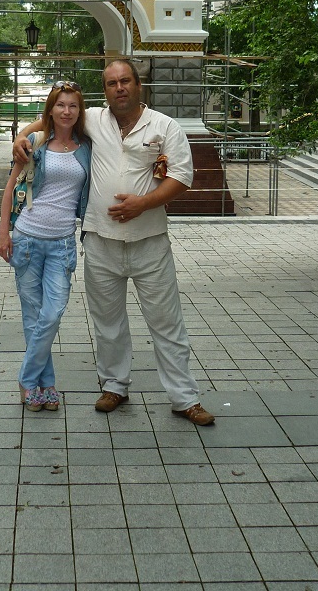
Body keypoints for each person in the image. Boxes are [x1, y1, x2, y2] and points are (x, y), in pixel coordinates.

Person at [14, 59, 214, 427]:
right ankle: (114, 386)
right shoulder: (93, 119)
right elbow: (53, 119)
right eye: (111, 83)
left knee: (166, 322)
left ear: (138, 85)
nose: (119, 88)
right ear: (105, 90)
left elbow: (181, 177)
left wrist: (143, 204)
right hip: (101, 241)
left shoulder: (164, 126)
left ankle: (185, 398)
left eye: (125, 81)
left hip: (149, 241)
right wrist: (21, 136)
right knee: (107, 322)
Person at [0, 80, 91, 412]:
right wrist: (4, 233)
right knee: (33, 316)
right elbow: (10, 187)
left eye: (73, 105)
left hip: (62, 243)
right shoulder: (36, 143)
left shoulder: (86, 146)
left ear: (80, 111)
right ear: (50, 109)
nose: (67, 111)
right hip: (26, 239)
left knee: (51, 314)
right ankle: (46, 384)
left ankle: (26, 379)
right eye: (60, 105)